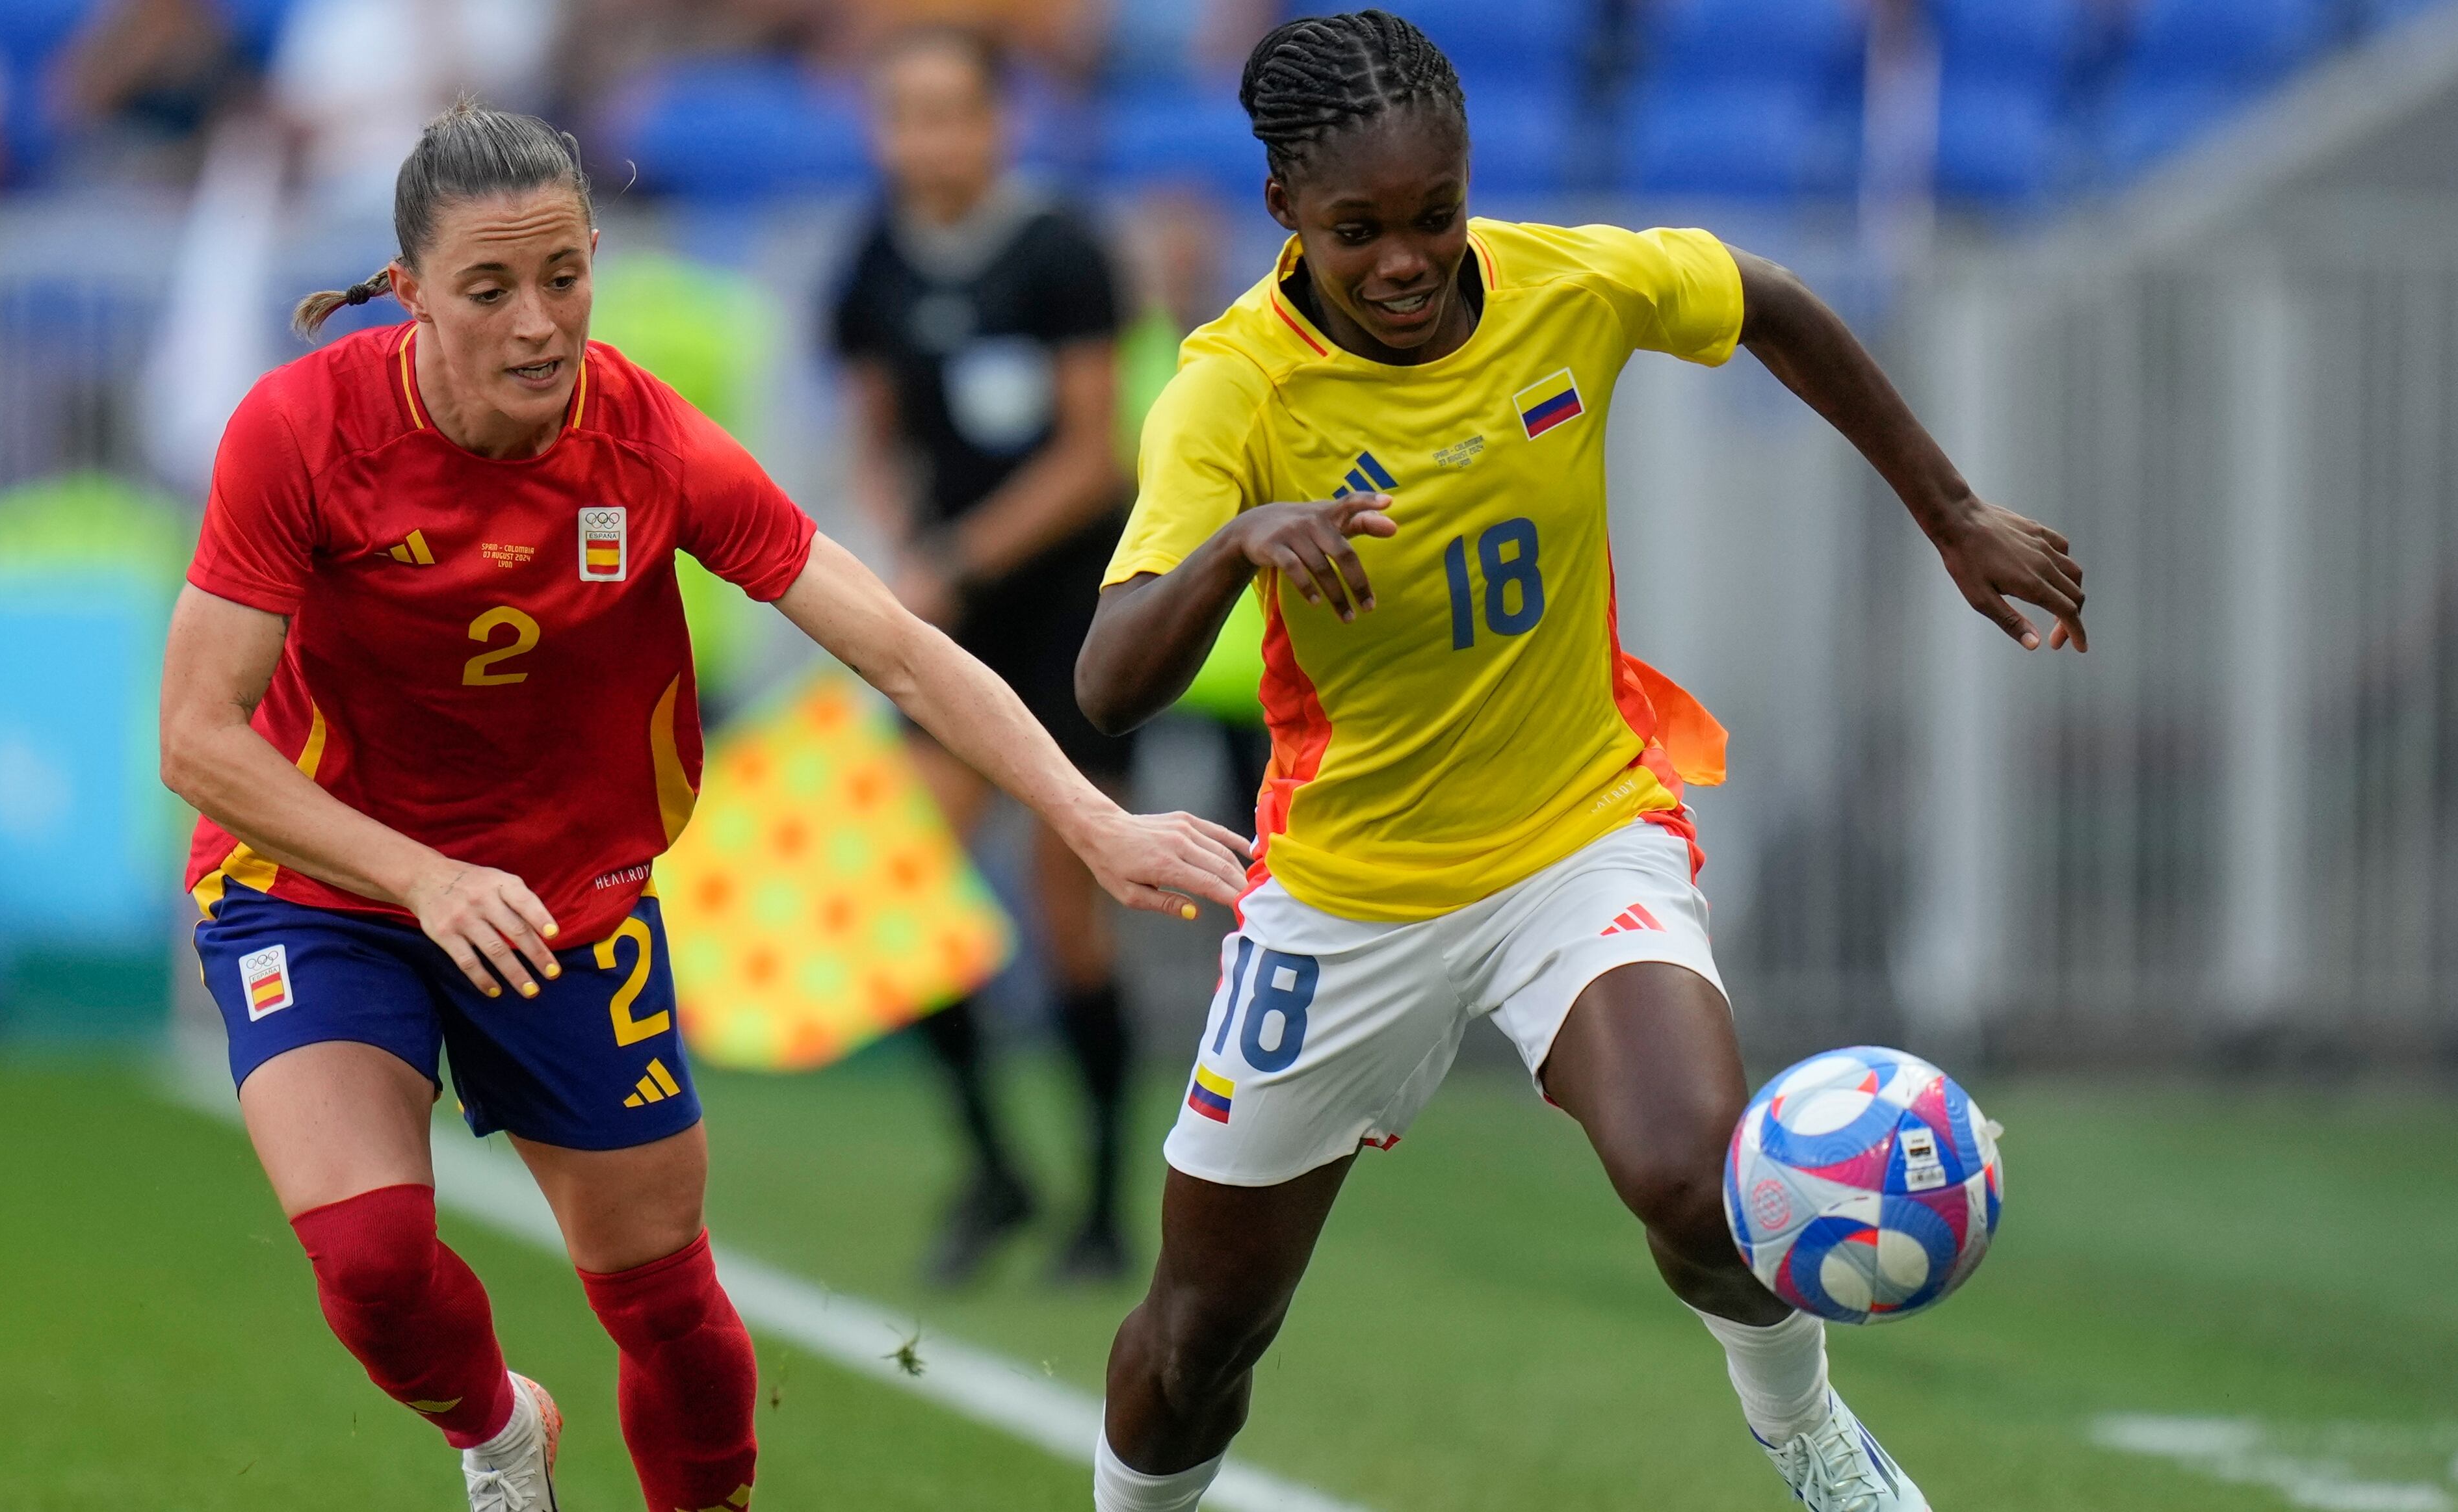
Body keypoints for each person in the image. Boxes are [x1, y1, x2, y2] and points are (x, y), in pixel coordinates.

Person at [158, 102, 1249, 1512]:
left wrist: (1088, 819)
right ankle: (500, 1434)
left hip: (569, 895)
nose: (539, 321)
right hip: (321, 883)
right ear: (411, 289)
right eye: (489, 288)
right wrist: (423, 877)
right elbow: (197, 735)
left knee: (667, 1311)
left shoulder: (648, 441)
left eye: (564, 275)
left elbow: (896, 643)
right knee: (371, 1265)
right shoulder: (301, 431)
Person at [1073, 14, 2087, 1512]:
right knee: (1205, 1331)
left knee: (1696, 1177)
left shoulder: (1573, 284)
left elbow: (1769, 301)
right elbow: (1108, 681)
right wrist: (1235, 544)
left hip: (1576, 832)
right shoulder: (1232, 389)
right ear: (1286, 211)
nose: (1407, 259)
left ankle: (1812, 1442)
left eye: (1434, 213)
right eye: (1360, 231)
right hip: (1347, 893)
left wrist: (1948, 511)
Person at [831, 27, 1144, 1284]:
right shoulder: (872, 261)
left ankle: (1108, 1205)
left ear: (998, 124)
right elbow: (874, 437)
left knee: (1074, 908)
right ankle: (994, 1169)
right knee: (905, 893)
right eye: (906, 114)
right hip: (951, 631)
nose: (930, 139)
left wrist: (956, 557)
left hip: (1070, 627)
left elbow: (1092, 458)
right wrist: (901, 546)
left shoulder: (1063, 249)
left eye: (952, 112)